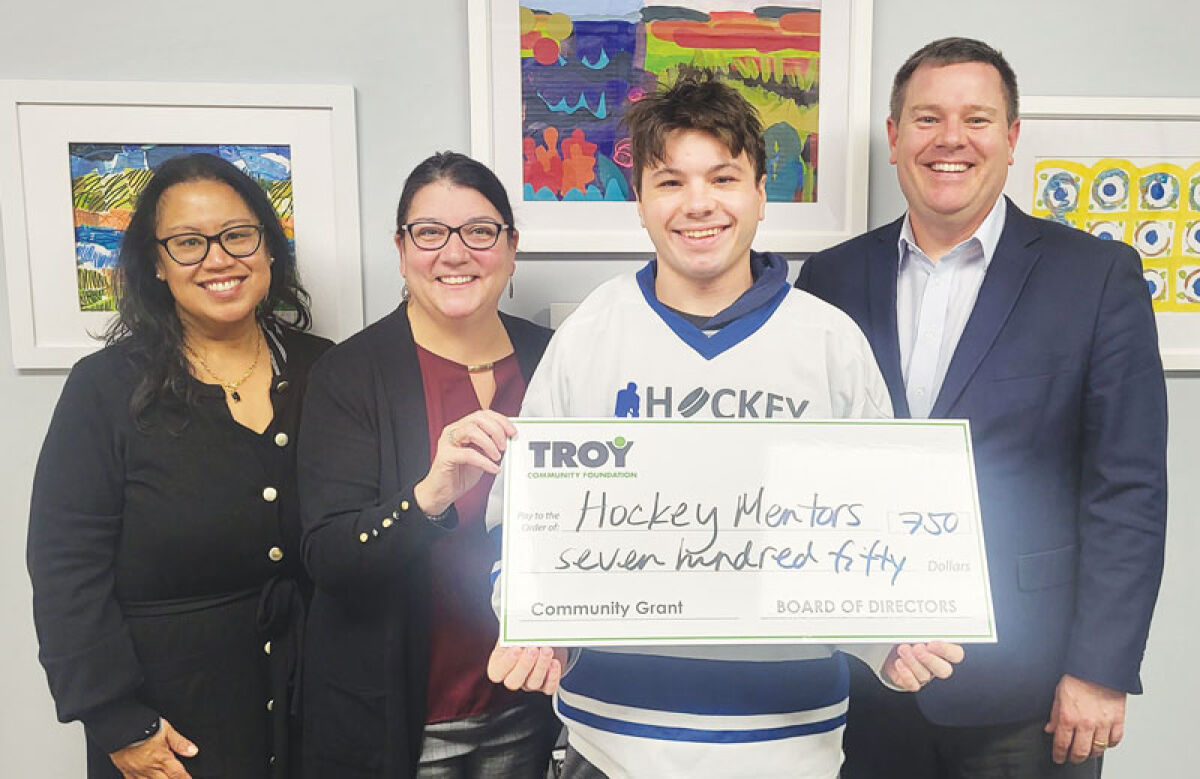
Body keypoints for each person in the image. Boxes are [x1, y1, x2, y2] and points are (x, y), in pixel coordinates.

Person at [483, 72, 965, 779]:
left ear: (762, 194)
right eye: (670, 182)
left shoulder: (829, 343)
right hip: (610, 748)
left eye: (724, 177)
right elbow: (518, 520)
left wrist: (887, 642)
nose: (699, 204)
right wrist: (532, 623)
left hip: (791, 747)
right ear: (641, 202)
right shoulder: (591, 333)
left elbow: (871, 535)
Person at [796, 37, 1168, 778]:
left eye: (976, 118)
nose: (951, 140)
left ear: (1011, 137)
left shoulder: (1094, 277)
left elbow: (1127, 490)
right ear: (896, 138)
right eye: (927, 119)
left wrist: (1100, 669)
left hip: (1029, 688)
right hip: (866, 681)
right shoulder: (832, 277)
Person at [27, 152, 332, 779]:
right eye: (189, 243)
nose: (218, 259)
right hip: (169, 732)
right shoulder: (104, 388)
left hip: (315, 712)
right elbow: (65, 572)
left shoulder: (326, 371)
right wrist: (117, 721)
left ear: (269, 249)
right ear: (158, 265)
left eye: (238, 236)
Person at [297, 152, 558, 778]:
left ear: (511, 246)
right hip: (410, 720)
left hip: (534, 705)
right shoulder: (350, 374)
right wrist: (427, 498)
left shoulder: (554, 358)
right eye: (430, 233)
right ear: (401, 247)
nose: (455, 252)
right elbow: (328, 557)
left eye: (480, 231)